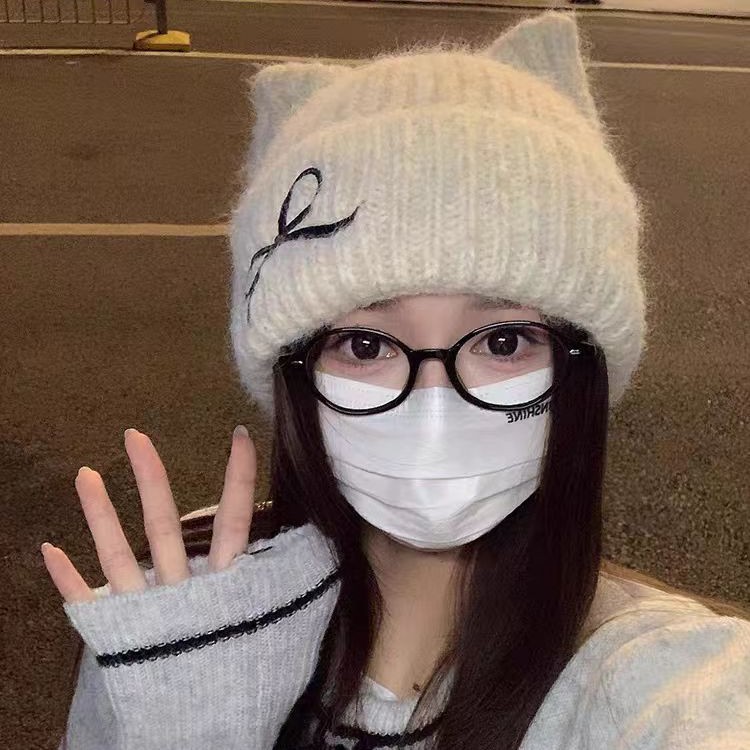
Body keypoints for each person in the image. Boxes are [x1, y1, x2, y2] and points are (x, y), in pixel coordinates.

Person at [42, 11, 750, 750]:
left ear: (582, 372)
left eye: (503, 341)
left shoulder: (655, 681)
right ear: (294, 374)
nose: (433, 407)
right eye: (365, 343)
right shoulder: (185, 608)